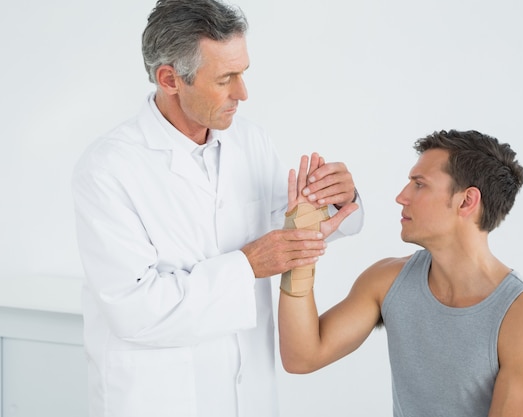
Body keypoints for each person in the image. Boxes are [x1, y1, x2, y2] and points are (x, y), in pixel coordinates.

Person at [71, 1, 363, 416]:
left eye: (243, 72)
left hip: (249, 395)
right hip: (159, 399)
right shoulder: (108, 170)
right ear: (170, 79)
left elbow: (291, 226)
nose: (243, 93)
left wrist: (336, 198)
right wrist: (246, 266)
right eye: (226, 78)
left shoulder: (250, 141)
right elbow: (134, 310)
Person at [278, 129, 523, 417]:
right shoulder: (387, 281)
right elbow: (302, 356)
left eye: (419, 184)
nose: (401, 197)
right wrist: (300, 241)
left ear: (466, 201)